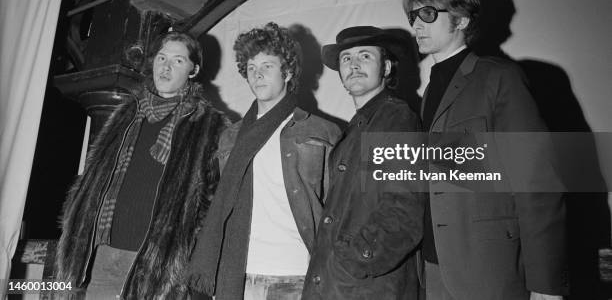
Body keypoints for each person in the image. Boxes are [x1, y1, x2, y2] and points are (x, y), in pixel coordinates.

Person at [403, 0, 568, 300]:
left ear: (461, 19)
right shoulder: (429, 90)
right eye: (413, 16)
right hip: (434, 267)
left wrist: (545, 285)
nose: (416, 25)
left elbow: (537, 182)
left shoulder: (498, 77)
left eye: (427, 14)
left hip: (487, 269)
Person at [54, 31, 228, 299]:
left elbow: (215, 202)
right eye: (161, 57)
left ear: (194, 70)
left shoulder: (209, 126)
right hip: (101, 254)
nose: (166, 66)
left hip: (154, 265)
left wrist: (186, 255)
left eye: (178, 60)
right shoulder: (127, 112)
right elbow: (92, 179)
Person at [186, 22, 341, 300]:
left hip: (295, 274)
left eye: (267, 66)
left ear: (288, 71)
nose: (257, 75)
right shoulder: (231, 137)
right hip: (238, 274)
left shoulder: (321, 131)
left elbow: (338, 208)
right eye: (251, 68)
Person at [302, 26, 424, 299]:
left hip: (367, 287)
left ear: (387, 67)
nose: (353, 65)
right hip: (344, 285)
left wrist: (354, 259)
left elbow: (404, 213)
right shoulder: (359, 127)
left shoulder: (396, 119)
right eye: (346, 59)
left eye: (365, 56)